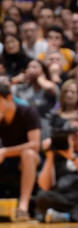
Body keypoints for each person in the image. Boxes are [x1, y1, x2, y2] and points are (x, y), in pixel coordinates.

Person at [0, 77, 40, 220]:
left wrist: (5, 151)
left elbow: (35, 144)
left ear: (8, 98)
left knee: (28, 154)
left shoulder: (28, 113)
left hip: (28, 159)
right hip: (7, 159)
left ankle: (23, 207)